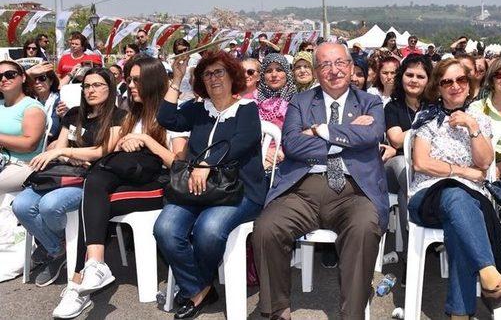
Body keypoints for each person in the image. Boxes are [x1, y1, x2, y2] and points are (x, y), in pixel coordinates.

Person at [253, 43, 388, 319]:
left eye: (340, 63)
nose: (334, 70)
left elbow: (372, 136)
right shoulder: (301, 102)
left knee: (364, 228)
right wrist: (349, 138)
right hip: (303, 191)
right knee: (267, 227)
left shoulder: (370, 102)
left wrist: (319, 130)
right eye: (325, 65)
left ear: (351, 67)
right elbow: (292, 144)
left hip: (355, 191)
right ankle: (276, 309)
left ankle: (352, 314)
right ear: (316, 71)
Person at [154, 51, 266, 319]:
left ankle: (194, 290)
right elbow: (166, 119)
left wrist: (207, 164)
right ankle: (200, 288)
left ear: (232, 76)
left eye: (219, 72)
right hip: (197, 188)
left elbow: (243, 142)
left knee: (209, 229)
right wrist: (176, 80)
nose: (213, 78)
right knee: (165, 229)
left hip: (239, 190)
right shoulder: (197, 108)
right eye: (207, 74)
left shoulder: (247, 109)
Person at [68, 56, 187, 304]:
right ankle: (90, 270)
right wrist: (125, 141)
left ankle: (79, 281)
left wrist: (146, 141)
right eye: (129, 79)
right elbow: (113, 146)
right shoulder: (133, 113)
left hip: (161, 184)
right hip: (134, 177)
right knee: (94, 191)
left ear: (152, 82)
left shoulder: (174, 113)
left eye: (136, 80)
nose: (130, 85)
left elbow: (178, 163)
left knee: (91, 202)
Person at [408, 58, 501, 316]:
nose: (455, 86)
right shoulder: (427, 119)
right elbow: (421, 162)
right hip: (427, 197)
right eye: (447, 81)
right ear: (438, 88)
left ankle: (460, 313)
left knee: (460, 223)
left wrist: (472, 127)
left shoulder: (480, 120)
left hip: (468, 203)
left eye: (461, 80)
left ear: (469, 86)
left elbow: (485, 162)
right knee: (455, 194)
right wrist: (462, 172)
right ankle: (489, 274)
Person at [13, 68, 125, 291]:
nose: (90, 90)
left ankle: (52, 246)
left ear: (110, 88)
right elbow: (62, 146)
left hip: (92, 179)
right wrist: (65, 154)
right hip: (62, 174)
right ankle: (57, 249)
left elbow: (101, 151)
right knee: (21, 205)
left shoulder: (119, 116)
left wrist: (66, 153)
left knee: (49, 206)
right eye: (86, 86)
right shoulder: (74, 114)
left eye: (97, 85)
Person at [384, 54, 431, 278]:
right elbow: (395, 140)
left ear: (428, 80)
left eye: (420, 76)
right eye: (409, 74)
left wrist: (410, 136)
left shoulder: (435, 106)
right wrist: (425, 130)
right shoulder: (392, 108)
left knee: (407, 191)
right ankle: (430, 215)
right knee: (405, 166)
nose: (414, 80)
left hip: (425, 169)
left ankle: (411, 257)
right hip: (395, 168)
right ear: (401, 77)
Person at [0, 61, 47, 202]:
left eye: (10, 75)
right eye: (0, 76)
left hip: (22, 165)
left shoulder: (32, 108)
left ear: (23, 78)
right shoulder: (1, 105)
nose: (3, 79)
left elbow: (29, 144)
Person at [255, 53, 297, 130]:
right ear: (263, 75)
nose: (274, 74)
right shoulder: (253, 100)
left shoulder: (297, 101)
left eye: (279, 70)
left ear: (287, 74)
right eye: (269, 71)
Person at [29, 63, 62, 143]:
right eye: (34, 79)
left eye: (42, 78)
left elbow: (52, 132)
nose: (37, 82)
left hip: (48, 142)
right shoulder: (29, 99)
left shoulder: (58, 99)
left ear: (51, 81)